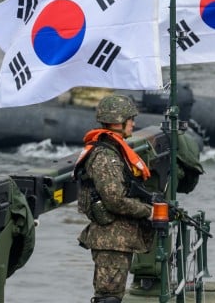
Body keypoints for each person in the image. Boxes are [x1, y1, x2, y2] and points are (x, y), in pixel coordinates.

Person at [74, 94, 155, 303]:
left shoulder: (112, 151)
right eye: (131, 119)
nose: (134, 124)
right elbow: (114, 200)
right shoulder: (106, 156)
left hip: (116, 239)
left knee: (112, 295)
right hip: (111, 239)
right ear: (119, 121)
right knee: (108, 297)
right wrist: (149, 211)